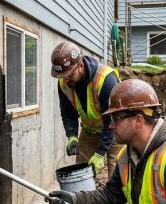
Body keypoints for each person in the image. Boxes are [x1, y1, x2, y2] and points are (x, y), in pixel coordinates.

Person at [51, 41, 122, 180]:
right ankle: (83, 201)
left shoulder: (106, 80)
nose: (66, 79)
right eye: (62, 76)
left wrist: (100, 154)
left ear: (81, 65)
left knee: (117, 174)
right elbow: (68, 112)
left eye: (69, 75)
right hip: (90, 129)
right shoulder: (64, 83)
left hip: (115, 129)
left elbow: (111, 119)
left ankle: (118, 201)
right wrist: (71, 135)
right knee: (82, 171)